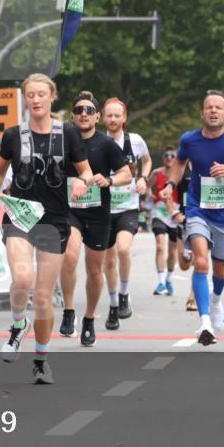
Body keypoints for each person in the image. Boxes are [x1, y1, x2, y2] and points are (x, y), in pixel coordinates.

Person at [0, 73, 91, 384]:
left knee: (42, 297)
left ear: (52, 98)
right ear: (25, 99)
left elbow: (87, 172)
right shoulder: (13, 135)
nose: (36, 100)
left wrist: (81, 182)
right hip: (20, 214)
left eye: (41, 94)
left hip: (53, 219)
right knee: (23, 277)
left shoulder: (67, 133)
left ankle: (41, 359)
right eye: (30, 95)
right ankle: (17, 324)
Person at [161, 90, 224, 345]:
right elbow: (180, 162)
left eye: (218, 107)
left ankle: (216, 301)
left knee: (220, 270)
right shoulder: (190, 140)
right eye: (209, 107)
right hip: (198, 210)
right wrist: (172, 184)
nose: (213, 111)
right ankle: (205, 321)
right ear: (202, 112)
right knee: (201, 262)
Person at [58, 92, 132, 345]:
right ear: (72, 115)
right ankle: (69, 311)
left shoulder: (107, 144)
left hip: (98, 212)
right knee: (69, 254)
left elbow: (126, 175)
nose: (83, 114)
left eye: (89, 111)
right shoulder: (62, 142)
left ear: (97, 117)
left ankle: (89, 318)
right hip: (70, 210)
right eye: (79, 110)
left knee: (94, 269)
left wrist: (109, 179)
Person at [101, 97, 151, 320]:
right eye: (109, 115)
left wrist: (143, 178)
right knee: (109, 260)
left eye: (117, 115)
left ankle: (123, 293)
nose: (113, 119)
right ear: (102, 117)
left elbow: (147, 161)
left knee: (123, 250)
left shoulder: (135, 141)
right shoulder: (97, 142)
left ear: (124, 118)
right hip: (103, 208)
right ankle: (113, 304)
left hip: (128, 206)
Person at [146, 146, 185, 297]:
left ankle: (168, 279)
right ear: (163, 158)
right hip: (159, 213)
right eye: (166, 155)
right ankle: (161, 281)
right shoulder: (157, 173)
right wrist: (149, 194)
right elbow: (147, 187)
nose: (169, 158)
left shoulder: (180, 175)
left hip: (175, 214)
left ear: (176, 159)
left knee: (172, 250)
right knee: (160, 246)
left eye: (172, 156)